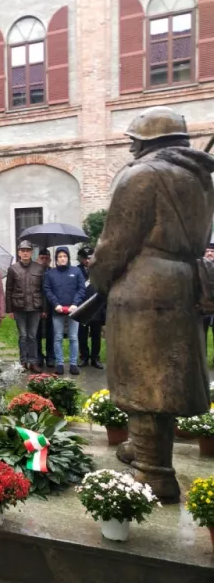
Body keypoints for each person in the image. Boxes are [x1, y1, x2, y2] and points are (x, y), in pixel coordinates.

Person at [90, 105, 214, 502]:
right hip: (183, 283)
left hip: (144, 284)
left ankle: (155, 471)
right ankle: (146, 450)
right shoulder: (201, 178)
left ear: (147, 141)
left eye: (134, 142)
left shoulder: (142, 175)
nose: (130, 150)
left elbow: (115, 243)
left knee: (141, 377)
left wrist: (98, 278)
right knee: (165, 374)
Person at [43, 247, 86, 375]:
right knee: (58, 337)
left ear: (68, 258)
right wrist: (56, 304)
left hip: (74, 311)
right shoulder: (51, 273)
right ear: (56, 259)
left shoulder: (76, 271)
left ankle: (73, 364)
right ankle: (60, 364)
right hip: (57, 311)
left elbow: (81, 288)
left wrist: (75, 304)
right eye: (60, 256)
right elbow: (47, 289)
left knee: (73, 337)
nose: (62, 258)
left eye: (64, 256)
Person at [6, 240, 47, 373]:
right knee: (23, 336)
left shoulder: (39, 268)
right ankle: (23, 362)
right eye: (22, 250)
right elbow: (9, 290)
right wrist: (9, 309)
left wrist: (44, 309)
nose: (25, 253)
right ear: (19, 253)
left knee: (32, 336)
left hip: (35, 307)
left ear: (31, 252)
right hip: (19, 308)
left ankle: (33, 362)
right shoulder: (13, 269)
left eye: (27, 250)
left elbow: (43, 290)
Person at [76, 247, 103, 369]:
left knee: (96, 334)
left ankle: (95, 357)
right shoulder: (77, 271)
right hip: (82, 305)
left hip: (96, 305)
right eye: (86, 258)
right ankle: (84, 356)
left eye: (90, 257)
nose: (88, 260)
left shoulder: (100, 270)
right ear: (81, 259)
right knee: (82, 333)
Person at [35, 249, 56, 369]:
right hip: (37, 306)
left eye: (46, 258)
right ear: (38, 259)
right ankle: (38, 356)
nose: (44, 260)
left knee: (50, 333)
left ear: (50, 260)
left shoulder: (53, 272)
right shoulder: (35, 272)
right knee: (36, 333)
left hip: (52, 306)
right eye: (42, 258)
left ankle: (50, 356)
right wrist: (42, 308)